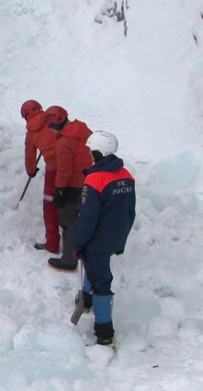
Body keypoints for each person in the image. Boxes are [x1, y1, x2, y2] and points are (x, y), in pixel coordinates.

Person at [74, 131, 136, 348]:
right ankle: (87, 299)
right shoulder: (126, 175)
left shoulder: (94, 179)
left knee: (101, 281)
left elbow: (87, 218)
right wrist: (121, 239)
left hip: (97, 240)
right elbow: (130, 212)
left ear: (98, 152)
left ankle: (105, 332)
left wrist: (78, 243)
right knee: (95, 267)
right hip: (115, 237)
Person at [44, 105, 93, 272]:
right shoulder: (82, 131)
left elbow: (64, 168)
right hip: (90, 182)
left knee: (68, 222)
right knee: (84, 220)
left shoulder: (64, 141)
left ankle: (69, 259)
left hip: (73, 186)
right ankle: (84, 253)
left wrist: (59, 189)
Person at [22, 100, 60, 254]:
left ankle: (52, 243)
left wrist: (31, 170)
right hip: (72, 163)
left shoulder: (31, 132)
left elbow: (30, 156)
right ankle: (75, 243)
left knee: (50, 205)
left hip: (53, 169)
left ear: (25, 116)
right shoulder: (52, 118)